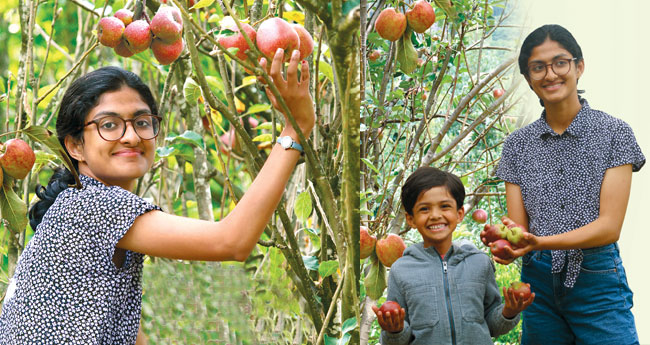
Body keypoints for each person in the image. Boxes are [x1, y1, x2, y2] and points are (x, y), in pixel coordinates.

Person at [0, 47, 314, 344]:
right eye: (110, 125)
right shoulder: (92, 205)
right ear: (75, 146)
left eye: (141, 122)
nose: (132, 136)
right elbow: (232, 241)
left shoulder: (77, 209)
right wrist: (295, 128)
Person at [482, 24, 645, 345]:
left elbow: (610, 228)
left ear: (578, 66)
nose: (550, 74)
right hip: (538, 284)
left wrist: (539, 243)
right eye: (537, 67)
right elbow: (518, 227)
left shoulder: (614, 133)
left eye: (560, 62)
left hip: (596, 278)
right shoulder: (516, 146)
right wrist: (505, 240)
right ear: (528, 79)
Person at [373, 167, 534, 345]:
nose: (435, 215)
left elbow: (492, 325)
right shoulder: (401, 270)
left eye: (444, 206)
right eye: (424, 209)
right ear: (411, 219)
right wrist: (394, 330)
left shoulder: (479, 262)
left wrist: (509, 312)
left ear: (459, 214)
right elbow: (398, 338)